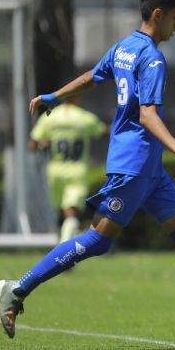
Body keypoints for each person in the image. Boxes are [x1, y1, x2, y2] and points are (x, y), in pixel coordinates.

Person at [0, 0, 175, 346]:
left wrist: (54, 97)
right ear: (158, 14)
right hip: (134, 166)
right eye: (174, 18)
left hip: (149, 169)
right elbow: (147, 115)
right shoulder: (152, 57)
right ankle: (17, 288)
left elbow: (92, 77)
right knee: (96, 241)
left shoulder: (125, 47)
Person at [29, 94, 108, 244]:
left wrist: (43, 145)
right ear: (77, 98)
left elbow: (33, 144)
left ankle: (61, 245)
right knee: (72, 212)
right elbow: (103, 131)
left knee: (60, 212)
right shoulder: (84, 118)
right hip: (77, 171)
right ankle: (64, 249)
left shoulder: (49, 118)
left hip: (54, 171)